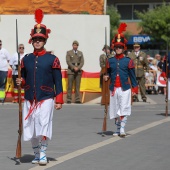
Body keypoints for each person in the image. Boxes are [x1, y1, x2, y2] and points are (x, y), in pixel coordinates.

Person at [16, 9, 63, 165]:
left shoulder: (52, 59)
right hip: (30, 97)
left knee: (43, 125)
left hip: (46, 98)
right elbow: (23, 80)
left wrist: (59, 99)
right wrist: (19, 83)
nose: (37, 41)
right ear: (32, 40)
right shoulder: (26, 59)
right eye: (35, 39)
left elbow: (58, 80)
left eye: (40, 39)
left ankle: (43, 152)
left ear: (45, 41)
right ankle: (36, 153)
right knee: (30, 127)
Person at [104, 23, 138, 137]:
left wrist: (135, 88)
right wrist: (106, 76)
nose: (118, 49)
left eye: (120, 47)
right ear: (114, 47)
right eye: (116, 47)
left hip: (125, 88)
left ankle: (122, 128)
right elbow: (108, 73)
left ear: (123, 48)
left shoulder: (128, 61)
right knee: (115, 109)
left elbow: (133, 76)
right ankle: (118, 128)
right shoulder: (110, 60)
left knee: (123, 107)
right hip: (113, 88)